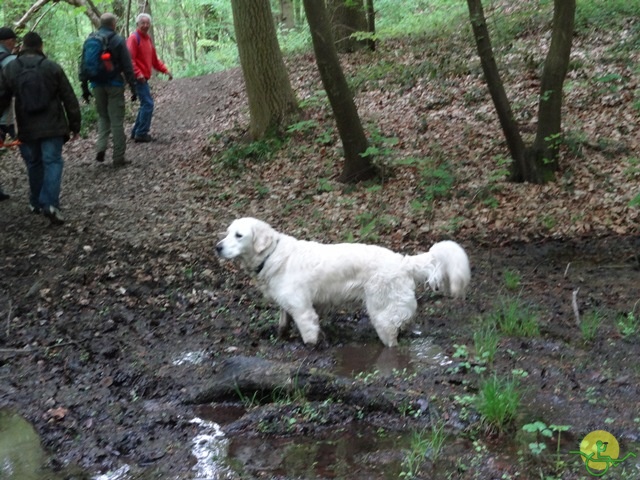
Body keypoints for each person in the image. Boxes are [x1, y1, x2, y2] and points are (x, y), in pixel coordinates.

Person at [0, 32, 81, 225]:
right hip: (52, 125)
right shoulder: (52, 67)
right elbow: (69, 97)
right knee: (52, 161)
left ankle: (36, 202)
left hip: (25, 126)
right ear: (41, 46)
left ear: (23, 46)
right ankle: (50, 204)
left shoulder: (11, 68)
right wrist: (75, 124)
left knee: (35, 163)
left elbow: (2, 98)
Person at [80, 13, 136, 167]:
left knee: (103, 117)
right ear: (113, 24)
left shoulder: (90, 39)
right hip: (115, 85)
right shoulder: (117, 40)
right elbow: (127, 66)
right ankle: (118, 157)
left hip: (96, 85)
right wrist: (133, 87)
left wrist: (84, 88)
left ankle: (101, 148)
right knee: (116, 121)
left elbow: (83, 65)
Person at [127, 13, 172, 143]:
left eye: (147, 23)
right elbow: (130, 59)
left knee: (145, 104)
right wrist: (138, 73)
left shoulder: (147, 39)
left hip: (144, 77)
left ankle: (136, 131)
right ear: (137, 24)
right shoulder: (133, 39)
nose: (145, 25)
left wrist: (165, 70)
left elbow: (154, 60)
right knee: (148, 104)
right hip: (138, 78)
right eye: (143, 23)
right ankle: (141, 133)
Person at [0, 26, 19, 201]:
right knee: (28, 147)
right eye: (13, 41)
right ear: (8, 41)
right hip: (7, 114)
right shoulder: (10, 60)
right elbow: (19, 86)